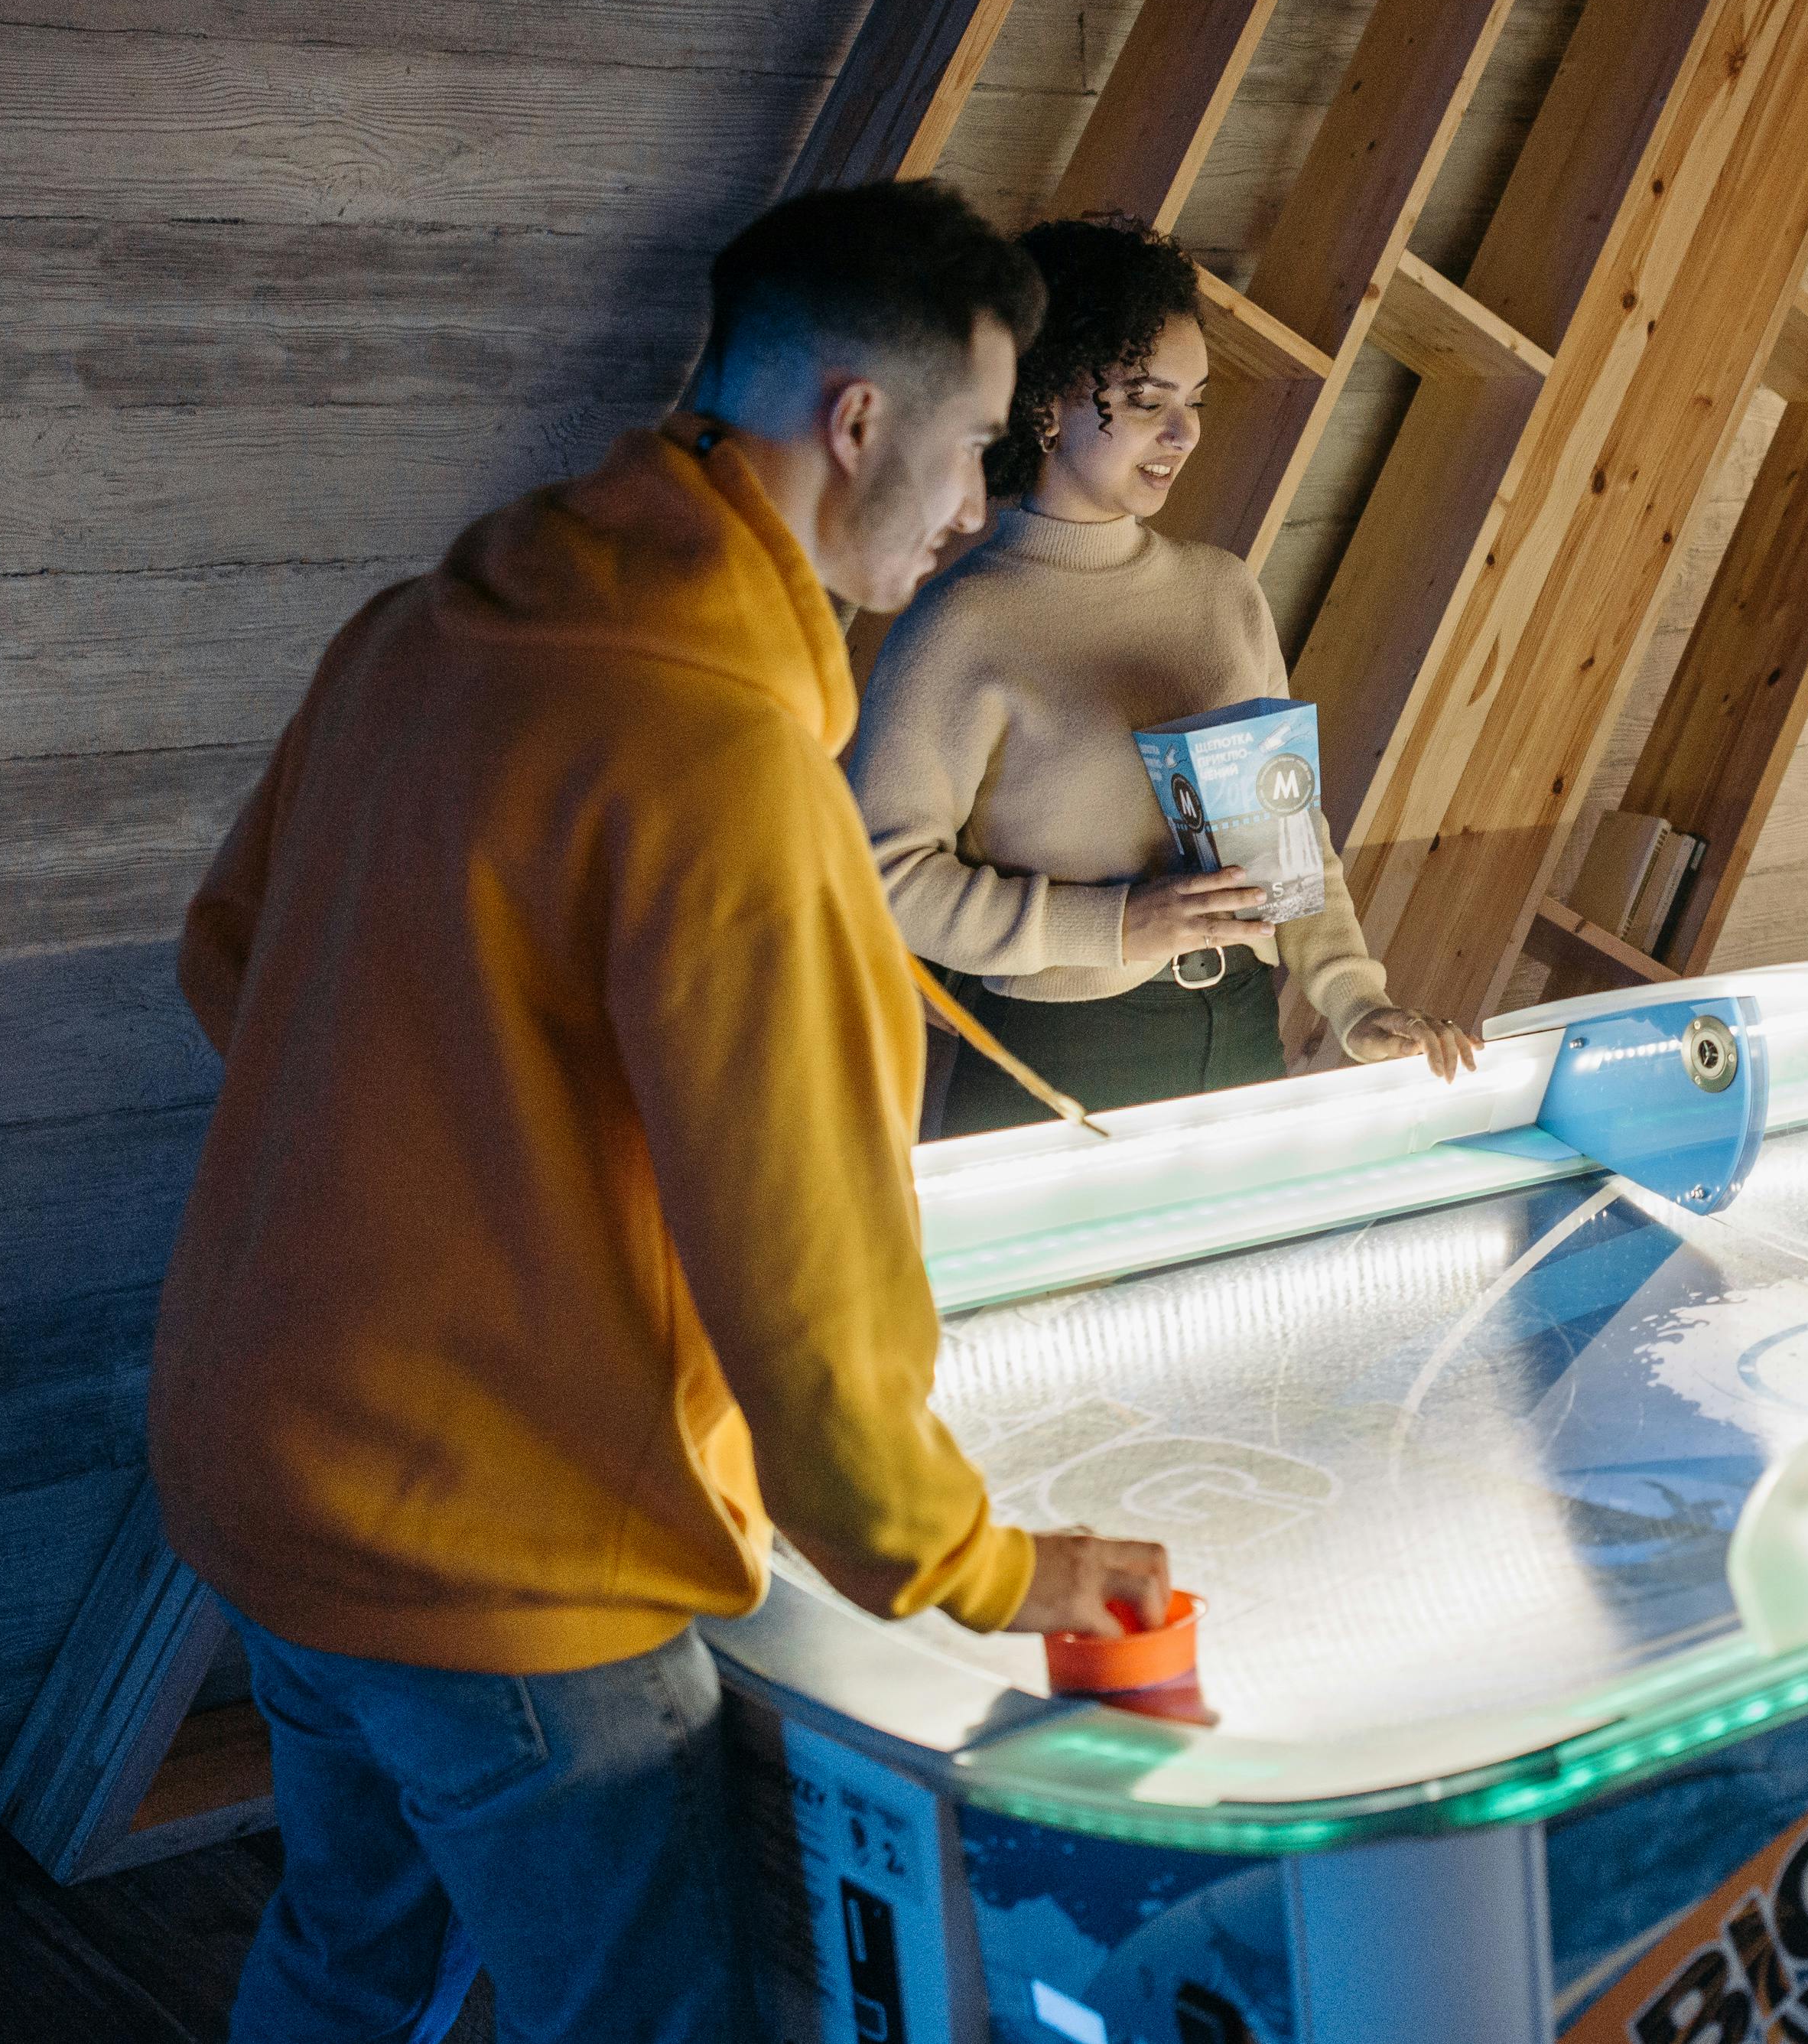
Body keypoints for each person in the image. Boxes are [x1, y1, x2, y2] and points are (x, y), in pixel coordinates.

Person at [148, 180, 1171, 2044]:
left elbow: (235, 965)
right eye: (964, 456)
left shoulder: (417, 634)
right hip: (514, 1577)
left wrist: (482, 1171)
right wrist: (984, 1568)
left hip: (262, 1476)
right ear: (855, 422)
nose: (969, 516)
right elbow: (808, 1283)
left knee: (343, 1961)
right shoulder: (725, 772)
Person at [854, 213, 1478, 1134]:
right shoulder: (959, 624)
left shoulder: (1223, 593)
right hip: (1060, 1054)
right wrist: (1115, 928)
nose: (1184, 433)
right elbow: (883, 879)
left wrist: (1353, 1001)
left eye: (1198, 402)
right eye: (1148, 400)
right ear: (1043, 405)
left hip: (1243, 1032)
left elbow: (1288, 838)